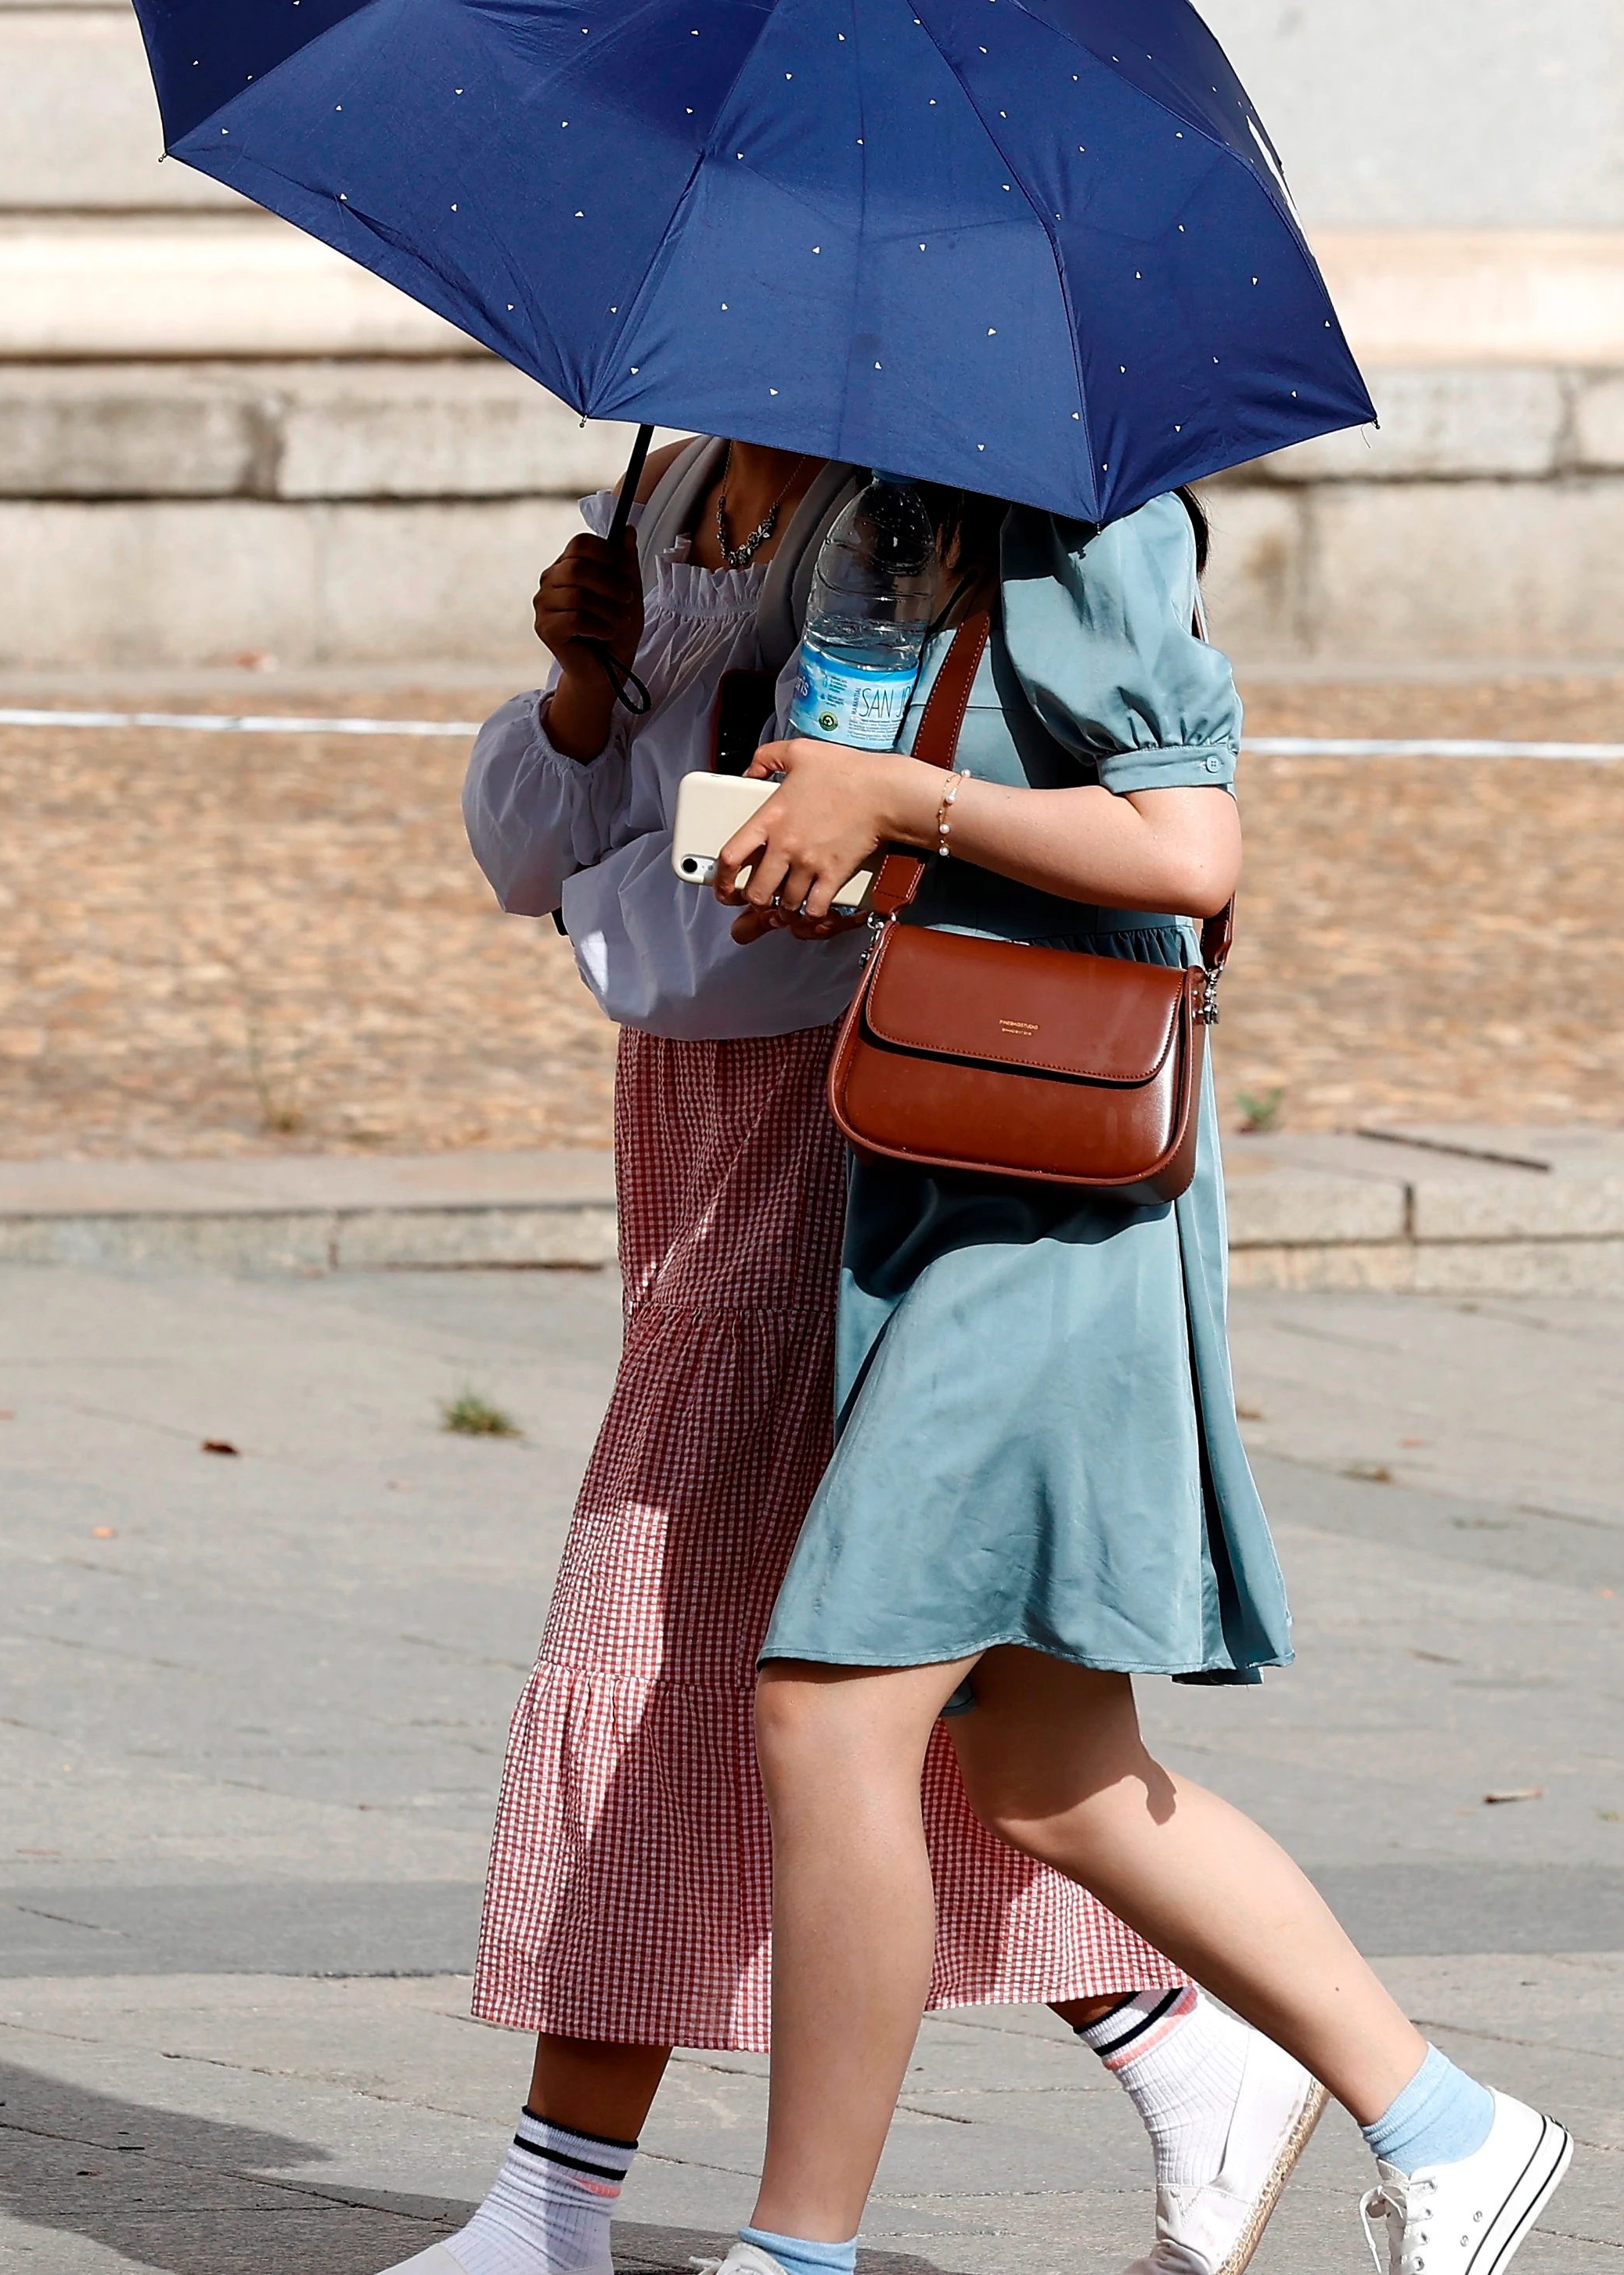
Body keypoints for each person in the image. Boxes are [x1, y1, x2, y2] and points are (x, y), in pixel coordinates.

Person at [401, 439, 1331, 2275]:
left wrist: (868, 802)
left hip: (861, 1106)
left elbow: (982, 836)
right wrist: (591, 692)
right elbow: (543, 857)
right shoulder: (665, 494)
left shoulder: (903, 511)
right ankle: (1178, 2047)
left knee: (684, 1621)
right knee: (845, 1678)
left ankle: (560, 2200)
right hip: (690, 1100)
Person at [693, 488, 1572, 2275]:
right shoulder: (891, 517)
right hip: (946, 1144)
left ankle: (795, 2257)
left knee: (827, 1710)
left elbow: (1190, 852)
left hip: (1056, 1191)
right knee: (1048, 1768)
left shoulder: (1086, 528)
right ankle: (1451, 2129)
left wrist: (911, 801)